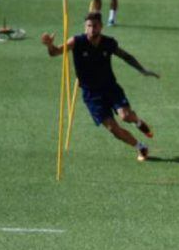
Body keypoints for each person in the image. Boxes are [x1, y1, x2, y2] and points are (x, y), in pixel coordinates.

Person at [41, 12, 159, 162]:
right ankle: (140, 147)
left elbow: (126, 56)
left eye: (95, 26)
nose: (91, 29)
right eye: (89, 26)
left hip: (110, 87)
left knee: (126, 116)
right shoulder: (76, 41)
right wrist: (49, 45)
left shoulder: (108, 43)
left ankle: (138, 122)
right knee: (113, 129)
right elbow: (55, 52)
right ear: (85, 27)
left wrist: (142, 70)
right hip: (91, 94)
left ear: (101, 27)